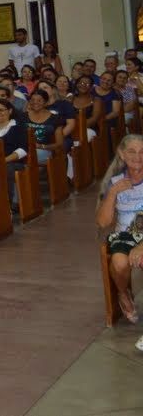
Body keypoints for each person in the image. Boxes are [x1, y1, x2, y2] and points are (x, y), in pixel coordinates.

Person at [96, 135, 143, 337]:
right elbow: (103, 223)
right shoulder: (114, 181)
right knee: (119, 262)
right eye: (132, 151)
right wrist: (113, 193)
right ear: (122, 154)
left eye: (142, 152)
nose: (138, 157)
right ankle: (123, 293)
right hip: (124, 235)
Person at [0, 99, 29, 210]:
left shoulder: (18, 127)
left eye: (2, 110)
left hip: (13, 162)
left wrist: (4, 160)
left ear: (10, 111)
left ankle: (7, 204)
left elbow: (23, 150)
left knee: (5, 168)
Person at [24, 89, 65, 164]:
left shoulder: (55, 119)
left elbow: (59, 144)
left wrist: (41, 146)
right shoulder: (23, 116)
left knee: (34, 155)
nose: (35, 102)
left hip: (44, 150)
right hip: (25, 149)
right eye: (32, 100)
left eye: (39, 100)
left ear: (46, 102)